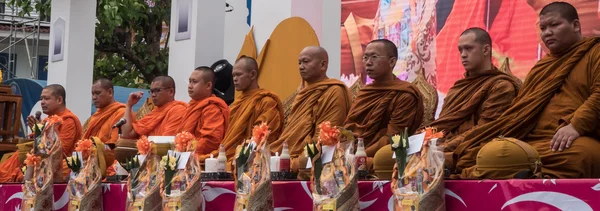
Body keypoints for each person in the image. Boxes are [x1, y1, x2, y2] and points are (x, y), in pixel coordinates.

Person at [451, 2, 600, 178]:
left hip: (574, 138)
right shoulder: (541, 67)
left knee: (583, 155)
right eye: (543, 28)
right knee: (489, 152)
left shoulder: (594, 52)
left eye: (555, 25)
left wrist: (576, 126)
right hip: (533, 141)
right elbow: (519, 112)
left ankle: (524, 173)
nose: (547, 33)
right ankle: (527, 172)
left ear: (575, 25)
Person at [427, 28, 521, 166]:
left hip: (474, 146)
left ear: (486, 50)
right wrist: (421, 141)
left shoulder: (501, 86)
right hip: (445, 146)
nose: (463, 55)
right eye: (460, 50)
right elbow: (442, 126)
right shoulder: (458, 88)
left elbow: (485, 130)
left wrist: (443, 148)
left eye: (469, 48)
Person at [270, 46, 352, 164]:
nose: (301, 67)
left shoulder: (334, 91)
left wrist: (304, 157)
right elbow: (293, 133)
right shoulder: (303, 93)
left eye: (306, 62)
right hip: (290, 153)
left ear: (323, 65)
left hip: (315, 157)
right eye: (299, 63)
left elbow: (326, 137)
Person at [344, 39, 424, 158]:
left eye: (374, 57)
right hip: (353, 152)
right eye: (365, 58)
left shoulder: (404, 94)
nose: (368, 63)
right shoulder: (365, 92)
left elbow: (393, 138)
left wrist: (359, 157)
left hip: (381, 156)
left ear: (392, 62)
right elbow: (350, 130)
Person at [207, 56, 284, 167]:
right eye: (233, 75)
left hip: (252, 161)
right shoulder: (236, 104)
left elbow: (263, 137)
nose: (235, 79)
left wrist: (242, 156)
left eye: (239, 75)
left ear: (252, 75)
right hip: (229, 156)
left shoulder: (266, 102)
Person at [0, 84, 82, 182]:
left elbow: (60, 151)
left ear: (59, 100)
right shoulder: (47, 119)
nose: (42, 102)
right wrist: (37, 131)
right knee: (8, 166)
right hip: (38, 160)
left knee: (24, 175)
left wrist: (42, 131)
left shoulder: (69, 120)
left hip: (58, 163)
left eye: (46, 99)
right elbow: (34, 145)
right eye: (41, 99)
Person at [181, 66, 230, 159]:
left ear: (208, 85)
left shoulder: (212, 108)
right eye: (190, 81)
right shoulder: (191, 106)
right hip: (187, 156)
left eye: (194, 82)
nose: (190, 86)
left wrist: (186, 151)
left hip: (203, 160)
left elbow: (211, 141)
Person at [82, 79, 126, 175]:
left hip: (110, 165)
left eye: (97, 93)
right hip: (90, 164)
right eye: (92, 94)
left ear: (110, 92)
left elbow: (115, 146)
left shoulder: (121, 112)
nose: (94, 97)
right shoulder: (95, 116)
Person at [120, 76, 187, 138]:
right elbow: (127, 134)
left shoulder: (178, 110)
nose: (153, 95)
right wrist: (129, 105)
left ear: (171, 92)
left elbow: (167, 142)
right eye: (151, 91)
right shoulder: (153, 114)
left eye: (157, 90)